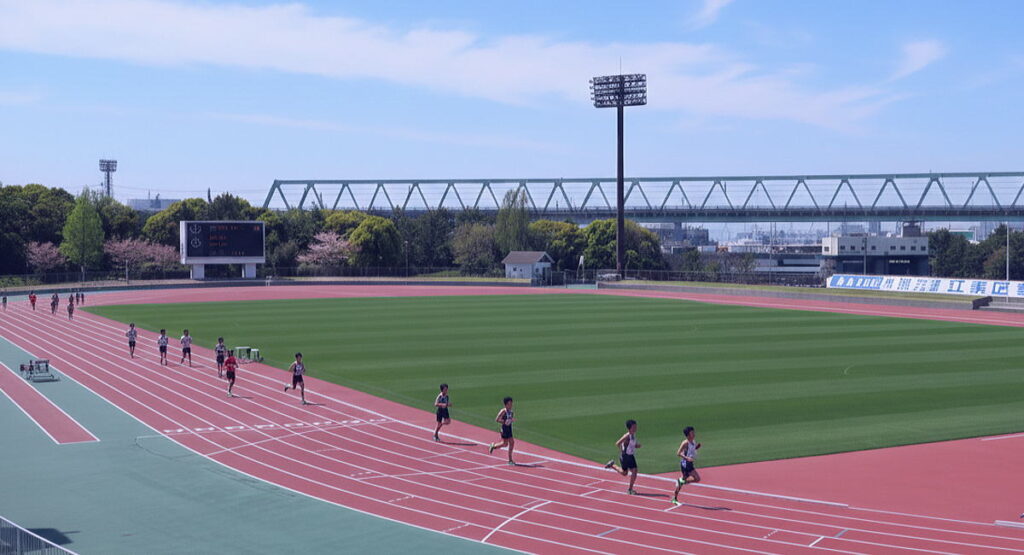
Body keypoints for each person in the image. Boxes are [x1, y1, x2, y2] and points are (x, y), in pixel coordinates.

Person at [605, 419, 641, 495]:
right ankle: (630, 490)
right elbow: (617, 443)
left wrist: (636, 446)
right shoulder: (627, 436)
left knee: (625, 473)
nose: (635, 428)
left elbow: (631, 445)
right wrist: (623, 451)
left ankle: (612, 465)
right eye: (634, 427)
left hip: (630, 455)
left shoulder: (633, 435)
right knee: (634, 471)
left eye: (636, 426)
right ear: (629, 428)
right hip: (626, 456)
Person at [672, 426, 702, 505]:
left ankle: (675, 497)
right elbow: (678, 453)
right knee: (697, 478)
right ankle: (681, 482)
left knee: (689, 479)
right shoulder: (685, 443)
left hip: (689, 463)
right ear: (688, 435)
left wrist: (696, 447)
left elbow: (691, 450)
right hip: (685, 464)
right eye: (692, 433)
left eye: (694, 432)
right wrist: (687, 458)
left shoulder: (693, 441)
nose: (694, 434)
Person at [488, 397, 516, 465]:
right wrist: (504, 421)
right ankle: (510, 460)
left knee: (509, 443)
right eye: (509, 404)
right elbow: (497, 419)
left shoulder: (511, 412)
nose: (511, 405)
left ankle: (494, 446)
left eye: (511, 404)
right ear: (505, 405)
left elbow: (510, 420)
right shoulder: (503, 411)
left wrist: (511, 420)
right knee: (507, 443)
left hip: (509, 429)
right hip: (504, 429)